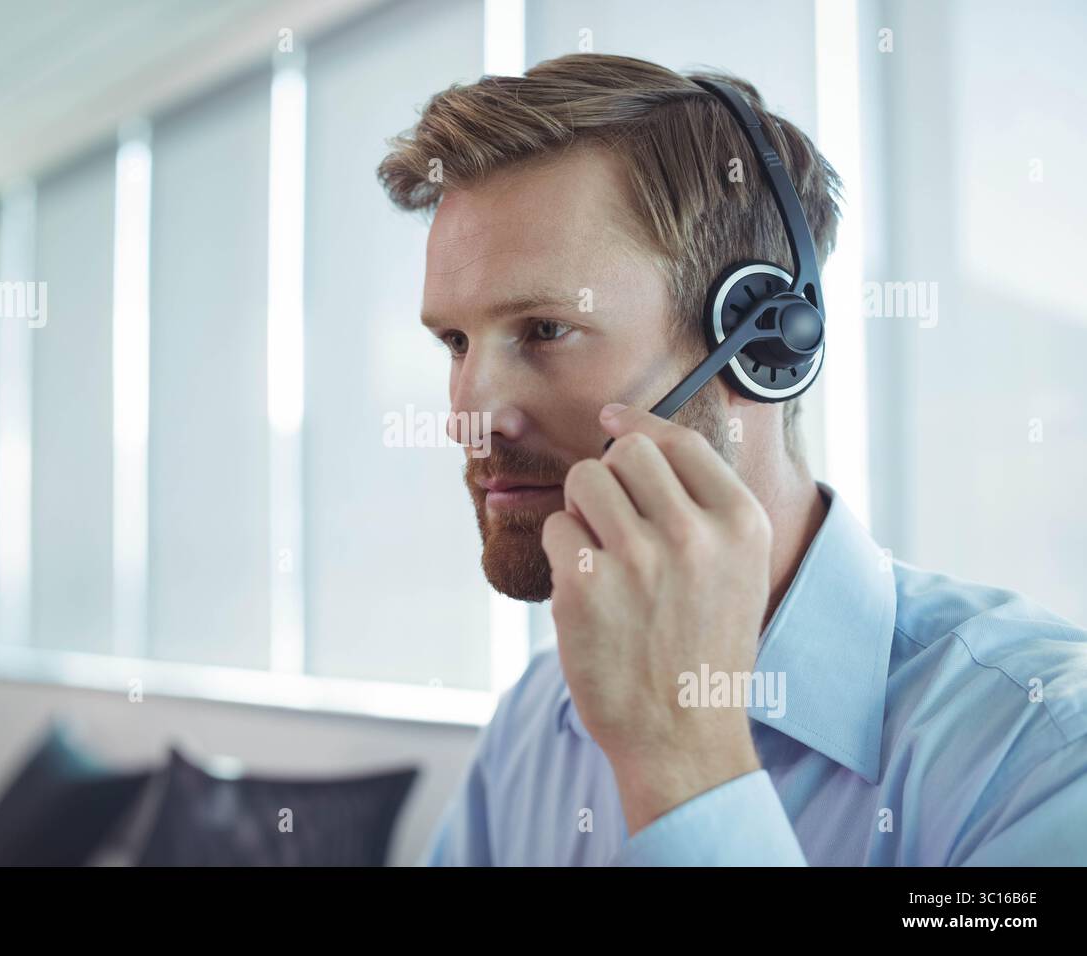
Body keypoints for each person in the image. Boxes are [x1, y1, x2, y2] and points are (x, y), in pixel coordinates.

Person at [376, 53, 1087, 865]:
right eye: (456, 343)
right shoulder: (540, 719)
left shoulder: (1043, 753)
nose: (469, 419)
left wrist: (682, 760)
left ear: (761, 343)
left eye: (544, 330)